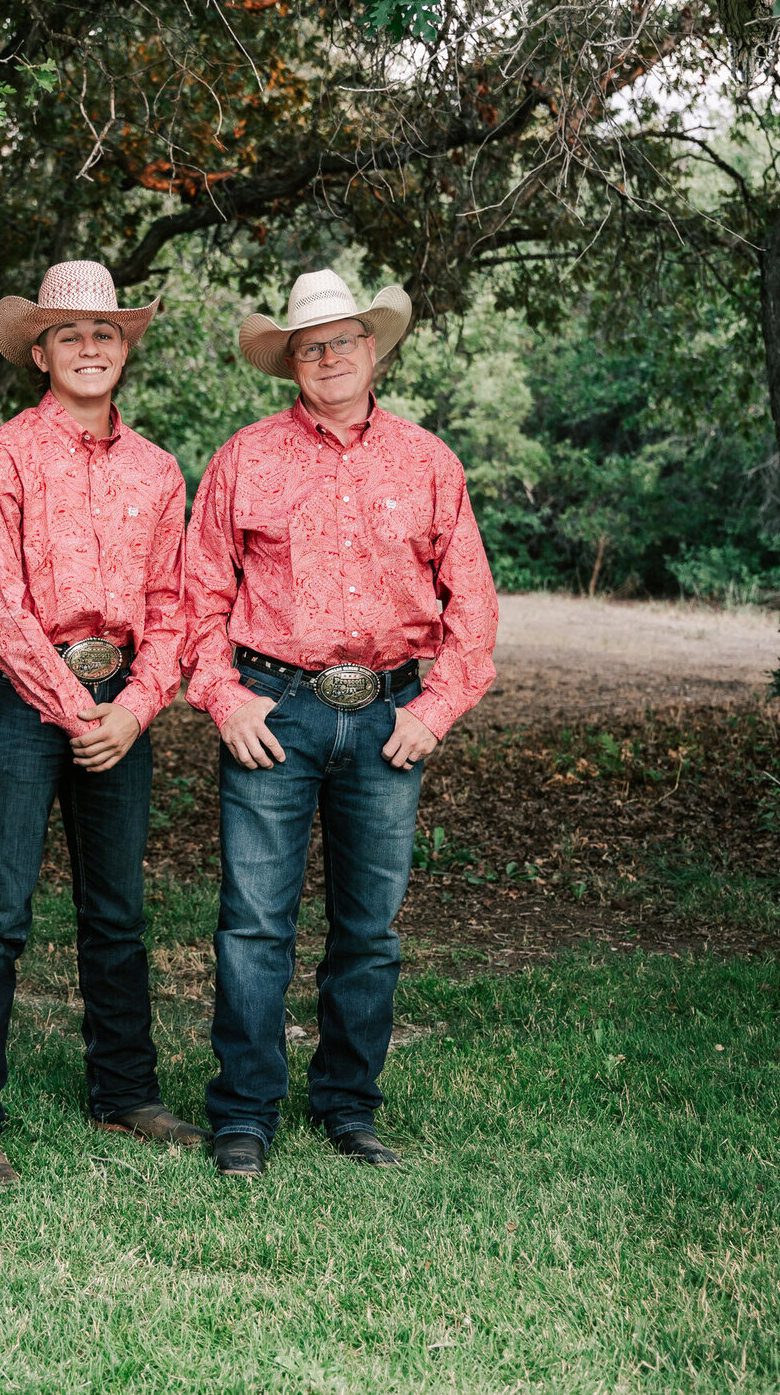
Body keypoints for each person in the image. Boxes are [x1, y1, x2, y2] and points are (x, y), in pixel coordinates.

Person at [183, 268, 498, 1177]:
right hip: (272, 711)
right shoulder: (244, 457)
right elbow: (200, 592)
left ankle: (349, 1108)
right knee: (253, 925)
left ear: (375, 349)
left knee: (369, 929)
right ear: (291, 362)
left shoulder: (430, 462)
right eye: (310, 345)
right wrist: (223, 694)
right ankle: (243, 1114)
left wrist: (435, 709)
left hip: (391, 716)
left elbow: (470, 603)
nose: (329, 356)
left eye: (345, 340)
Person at [0, 259, 205, 1187]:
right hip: (22, 693)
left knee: (118, 911)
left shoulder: (160, 470)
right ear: (40, 352)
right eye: (69, 335)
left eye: (106, 333)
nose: (90, 347)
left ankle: (125, 1091)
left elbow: (175, 606)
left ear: (123, 349)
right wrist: (72, 705)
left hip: (120, 698)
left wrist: (131, 710)